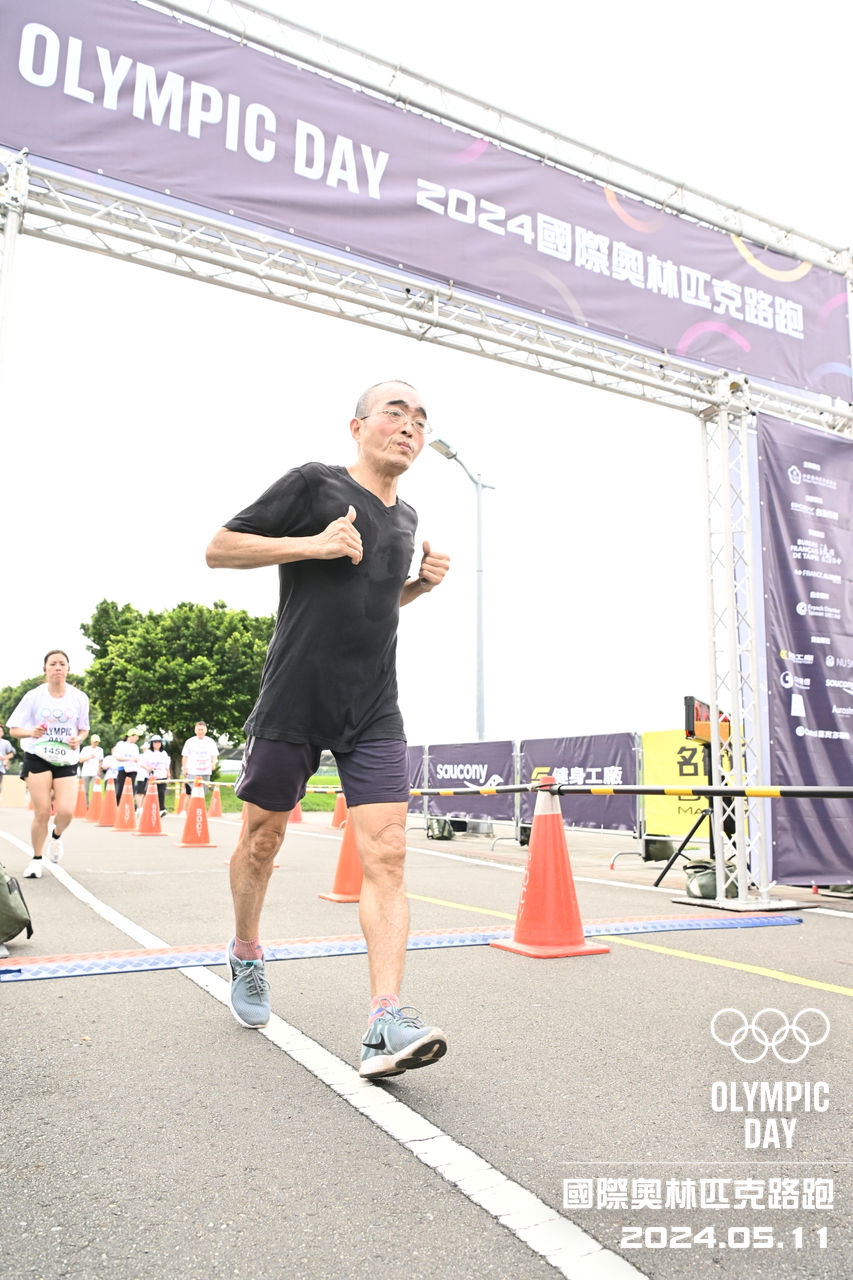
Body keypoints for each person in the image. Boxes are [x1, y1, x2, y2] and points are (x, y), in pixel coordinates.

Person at [206, 378, 450, 1079]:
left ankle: (384, 1019)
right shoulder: (314, 484)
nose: (409, 427)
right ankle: (246, 952)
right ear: (357, 426)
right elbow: (219, 548)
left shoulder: (406, 518)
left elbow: (374, 601)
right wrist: (311, 544)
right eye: (394, 414)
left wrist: (418, 587)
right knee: (262, 841)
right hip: (295, 697)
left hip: (372, 706)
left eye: (420, 420)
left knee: (389, 853)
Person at [7, 649, 90, 877]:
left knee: (66, 812)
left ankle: (56, 836)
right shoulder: (33, 696)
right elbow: (14, 730)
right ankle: (36, 860)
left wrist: (79, 739)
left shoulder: (79, 698)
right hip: (38, 756)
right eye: (53, 664)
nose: (57, 667)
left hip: (66, 758)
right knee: (42, 811)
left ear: (68, 669)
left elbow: (83, 729)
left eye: (62, 663)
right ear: (45, 669)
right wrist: (31, 732)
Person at [181, 722, 218, 796]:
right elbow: (185, 756)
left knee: (202, 793)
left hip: (205, 771)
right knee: (191, 793)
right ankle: (189, 804)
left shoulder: (210, 741)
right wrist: (184, 768)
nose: (200, 732)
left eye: (202, 729)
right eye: (199, 730)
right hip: (192, 772)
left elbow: (214, 755)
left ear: (206, 730)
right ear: (195, 730)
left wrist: (213, 763)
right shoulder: (189, 741)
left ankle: (200, 804)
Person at [139, 736, 171, 816]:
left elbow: (167, 765)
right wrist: (147, 768)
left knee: (161, 792)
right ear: (152, 743)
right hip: (152, 777)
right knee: (149, 793)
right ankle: (146, 809)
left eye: (159, 742)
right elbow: (141, 763)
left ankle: (161, 809)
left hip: (162, 776)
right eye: (155, 742)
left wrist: (168, 775)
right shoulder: (148, 753)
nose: (157, 744)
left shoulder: (164, 753)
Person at [112, 730, 139, 802]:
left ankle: (128, 804)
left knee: (130, 789)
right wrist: (130, 759)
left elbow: (137, 758)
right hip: (122, 768)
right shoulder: (120, 744)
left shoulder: (135, 746)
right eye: (136, 736)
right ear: (131, 736)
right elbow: (117, 757)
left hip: (133, 769)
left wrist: (135, 760)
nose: (137, 738)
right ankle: (118, 804)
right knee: (120, 789)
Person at [78, 734, 103, 803]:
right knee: (85, 790)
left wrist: (99, 770)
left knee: (94, 790)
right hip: (86, 772)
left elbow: (100, 761)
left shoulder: (100, 750)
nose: (96, 743)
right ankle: (86, 805)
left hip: (95, 772)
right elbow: (80, 760)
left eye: (97, 742)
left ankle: (93, 805)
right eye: (95, 742)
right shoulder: (85, 749)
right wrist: (89, 757)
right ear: (91, 741)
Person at [0, 724, 14, 795]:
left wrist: (4, 758)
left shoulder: (6, 743)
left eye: (0, 731)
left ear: (2, 733)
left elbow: (11, 754)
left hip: (0, 768)